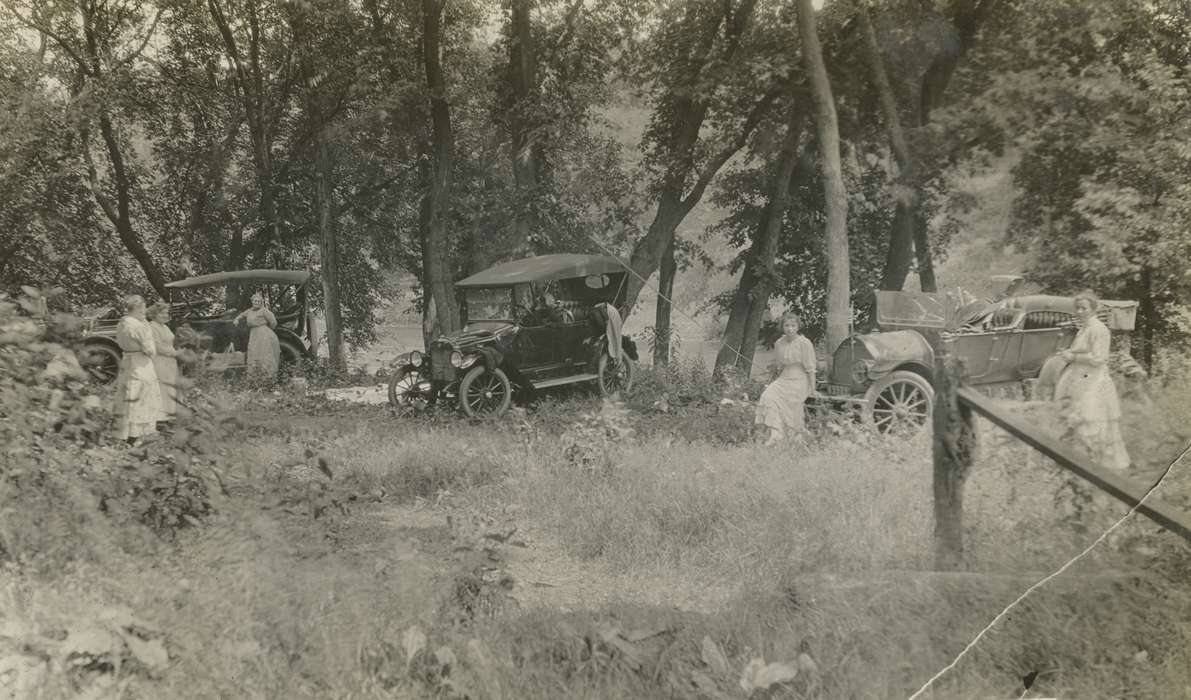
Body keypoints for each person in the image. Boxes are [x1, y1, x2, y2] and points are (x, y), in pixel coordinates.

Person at [1053, 290, 1130, 470]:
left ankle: (1099, 461)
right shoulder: (1084, 329)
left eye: (1084, 308)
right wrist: (1069, 354)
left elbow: (1099, 358)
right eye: (1077, 308)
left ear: (1093, 309)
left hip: (1093, 380)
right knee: (1075, 417)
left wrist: (1073, 357)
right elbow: (1083, 351)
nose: (1080, 311)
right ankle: (1081, 460)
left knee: (1091, 417)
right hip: (1079, 377)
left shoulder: (1098, 329)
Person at [755, 311, 817, 447]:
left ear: (797, 327)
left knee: (792, 405)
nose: (790, 329)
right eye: (787, 325)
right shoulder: (779, 343)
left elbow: (811, 368)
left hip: (800, 380)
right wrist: (773, 378)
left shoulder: (804, 343)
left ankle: (795, 437)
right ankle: (776, 433)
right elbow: (779, 366)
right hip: (784, 379)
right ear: (782, 327)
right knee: (768, 396)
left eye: (793, 326)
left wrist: (813, 389)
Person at [112, 295, 162, 444]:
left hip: (127, 361)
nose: (145, 311)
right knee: (141, 396)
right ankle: (137, 434)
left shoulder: (122, 323)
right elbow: (150, 350)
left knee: (127, 395)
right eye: (143, 308)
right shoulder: (139, 326)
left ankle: (123, 432)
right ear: (138, 308)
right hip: (141, 363)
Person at [147, 302, 179, 428]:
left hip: (170, 361)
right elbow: (158, 347)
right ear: (155, 314)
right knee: (162, 387)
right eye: (163, 313)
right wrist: (175, 353)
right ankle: (160, 418)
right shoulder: (152, 327)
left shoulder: (164, 327)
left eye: (167, 312)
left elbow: (170, 342)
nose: (166, 315)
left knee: (170, 387)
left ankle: (169, 415)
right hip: (160, 360)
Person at [236, 292, 281, 380]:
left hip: (264, 334)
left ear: (261, 303)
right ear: (252, 302)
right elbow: (242, 315)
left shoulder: (264, 311)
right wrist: (236, 319)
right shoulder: (249, 311)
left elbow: (273, 322)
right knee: (254, 353)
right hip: (254, 334)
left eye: (258, 301)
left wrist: (267, 330)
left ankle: (268, 378)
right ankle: (256, 378)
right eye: (255, 301)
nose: (256, 303)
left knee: (264, 354)